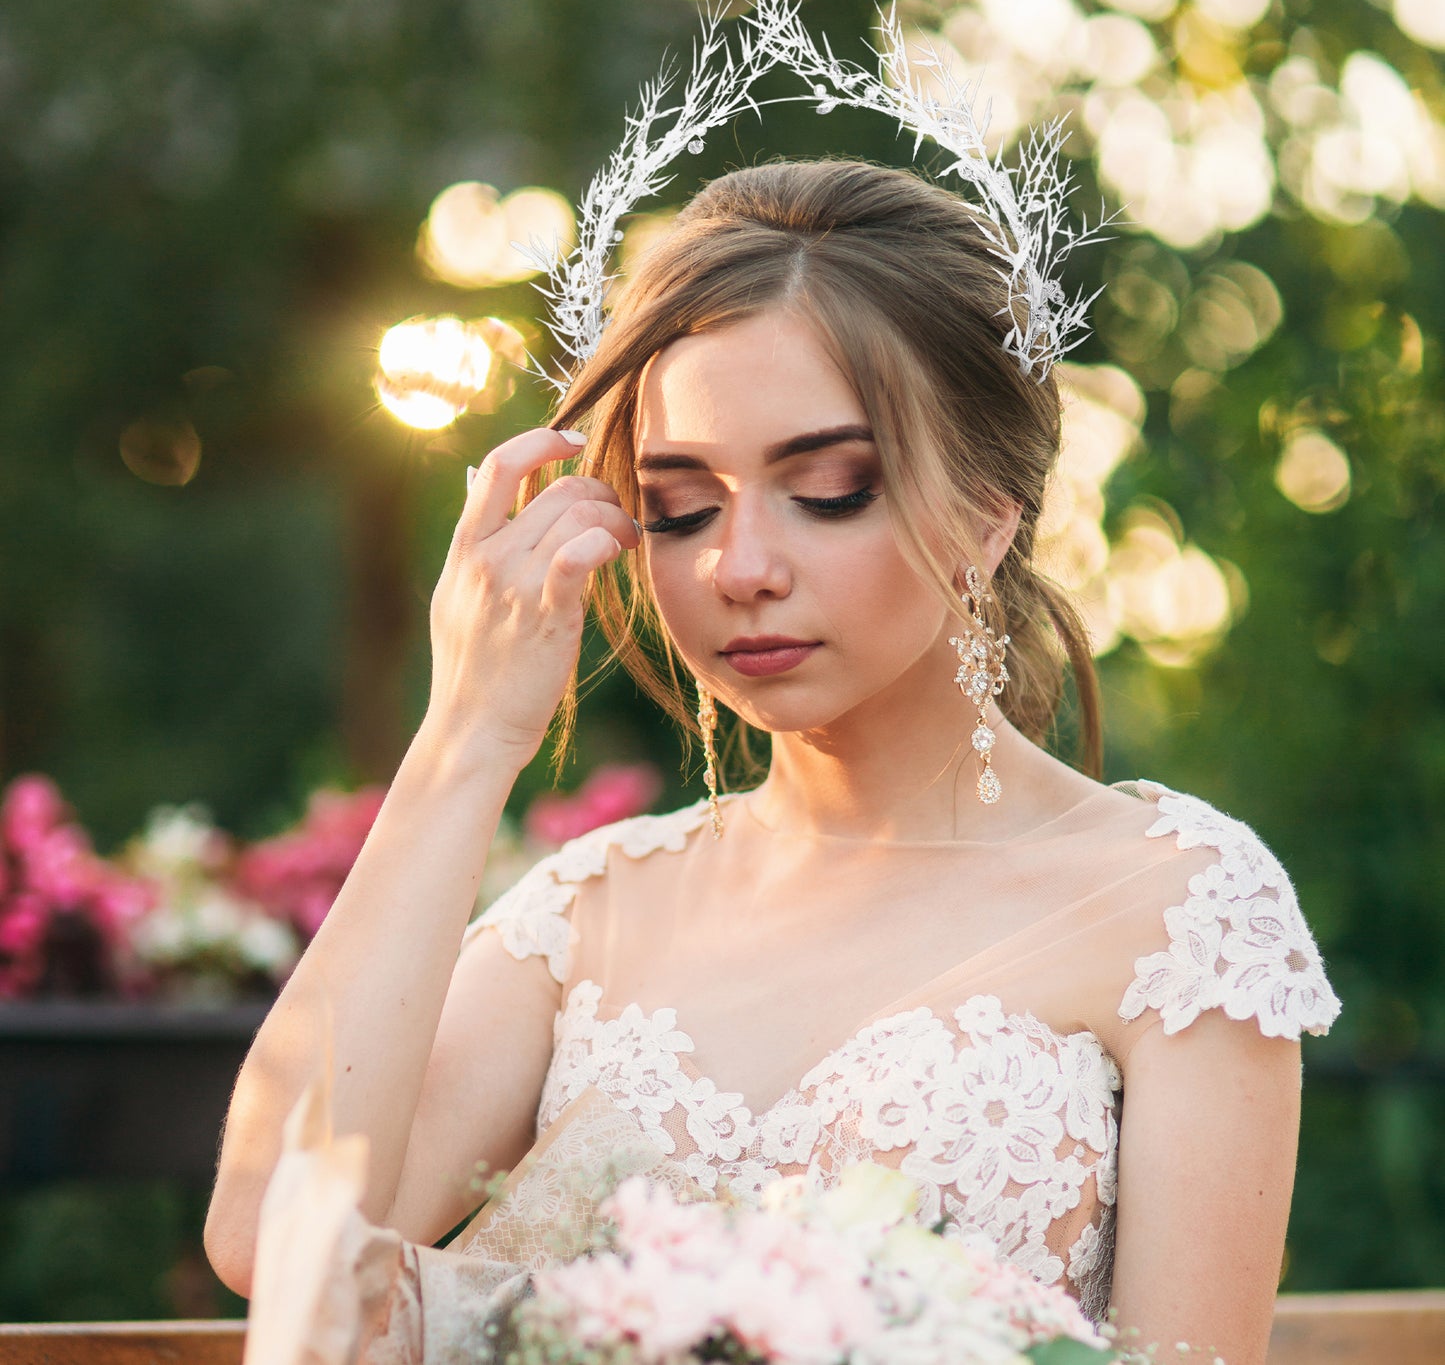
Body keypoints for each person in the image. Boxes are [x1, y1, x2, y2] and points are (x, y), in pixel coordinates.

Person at [204, 159, 1339, 1365]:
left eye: (827, 490)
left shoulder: (1175, 910)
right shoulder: (589, 916)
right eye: (682, 507)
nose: (740, 566)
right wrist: (465, 742)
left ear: (988, 509)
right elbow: (274, 1239)